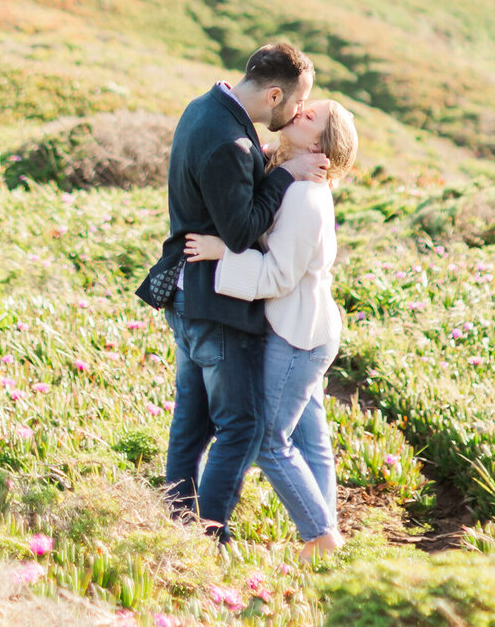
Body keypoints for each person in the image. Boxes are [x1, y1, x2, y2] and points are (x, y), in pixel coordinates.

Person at [136, 42, 329, 542]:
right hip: (213, 304)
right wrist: (285, 173)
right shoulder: (230, 143)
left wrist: (266, 159)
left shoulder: (205, 107)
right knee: (240, 427)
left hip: (188, 296)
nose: (297, 112)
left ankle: (177, 525)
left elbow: (227, 183)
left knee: (192, 425)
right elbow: (241, 231)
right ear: (272, 94)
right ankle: (206, 536)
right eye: (294, 102)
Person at [185, 96, 358, 562]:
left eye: (311, 115)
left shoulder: (305, 196)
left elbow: (279, 276)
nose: (299, 110)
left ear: (320, 143)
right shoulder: (291, 176)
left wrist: (224, 253)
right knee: (308, 435)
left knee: (269, 439)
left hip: (299, 334)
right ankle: (326, 535)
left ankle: (319, 534)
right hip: (306, 324)